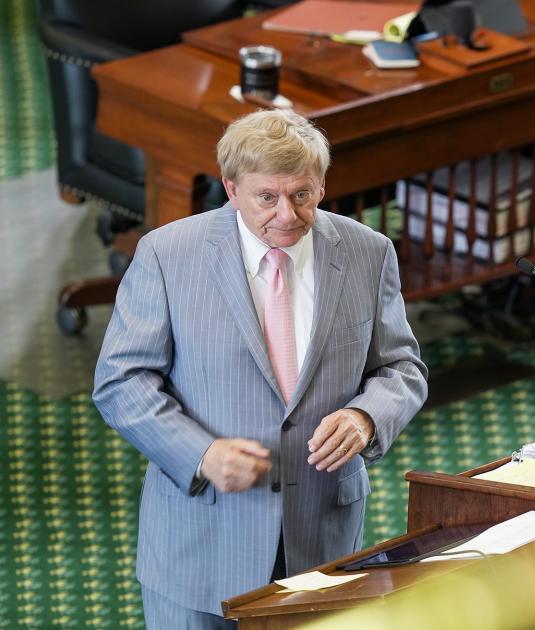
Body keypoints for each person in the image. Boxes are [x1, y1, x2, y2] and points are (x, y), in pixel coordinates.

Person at [93, 109, 427, 628]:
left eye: (302, 194)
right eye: (266, 197)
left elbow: (402, 367)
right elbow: (120, 381)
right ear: (231, 188)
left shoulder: (368, 252)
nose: (287, 215)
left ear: (321, 185)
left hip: (321, 540)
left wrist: (366, 417)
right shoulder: (167, 255)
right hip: (202, 540)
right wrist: (199, 453)